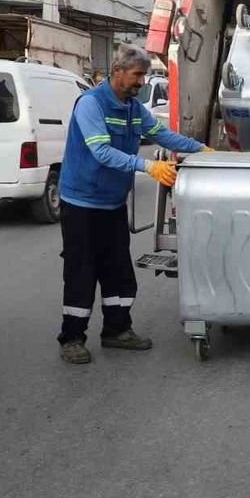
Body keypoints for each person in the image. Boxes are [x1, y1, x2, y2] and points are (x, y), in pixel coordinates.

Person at [56, 44, 211, 364]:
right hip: (82, 204)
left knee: (117, 271)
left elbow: (164, 136)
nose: (142, 81)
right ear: (117, 72)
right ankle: (71, 338)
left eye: (144, 75)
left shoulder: (132, 108)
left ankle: (116, 330)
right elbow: (101, 152)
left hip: (112, 204)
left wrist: (203, 150)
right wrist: (148, 167)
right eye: (138, 74)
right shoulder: (91, 105)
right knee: (82, 272)